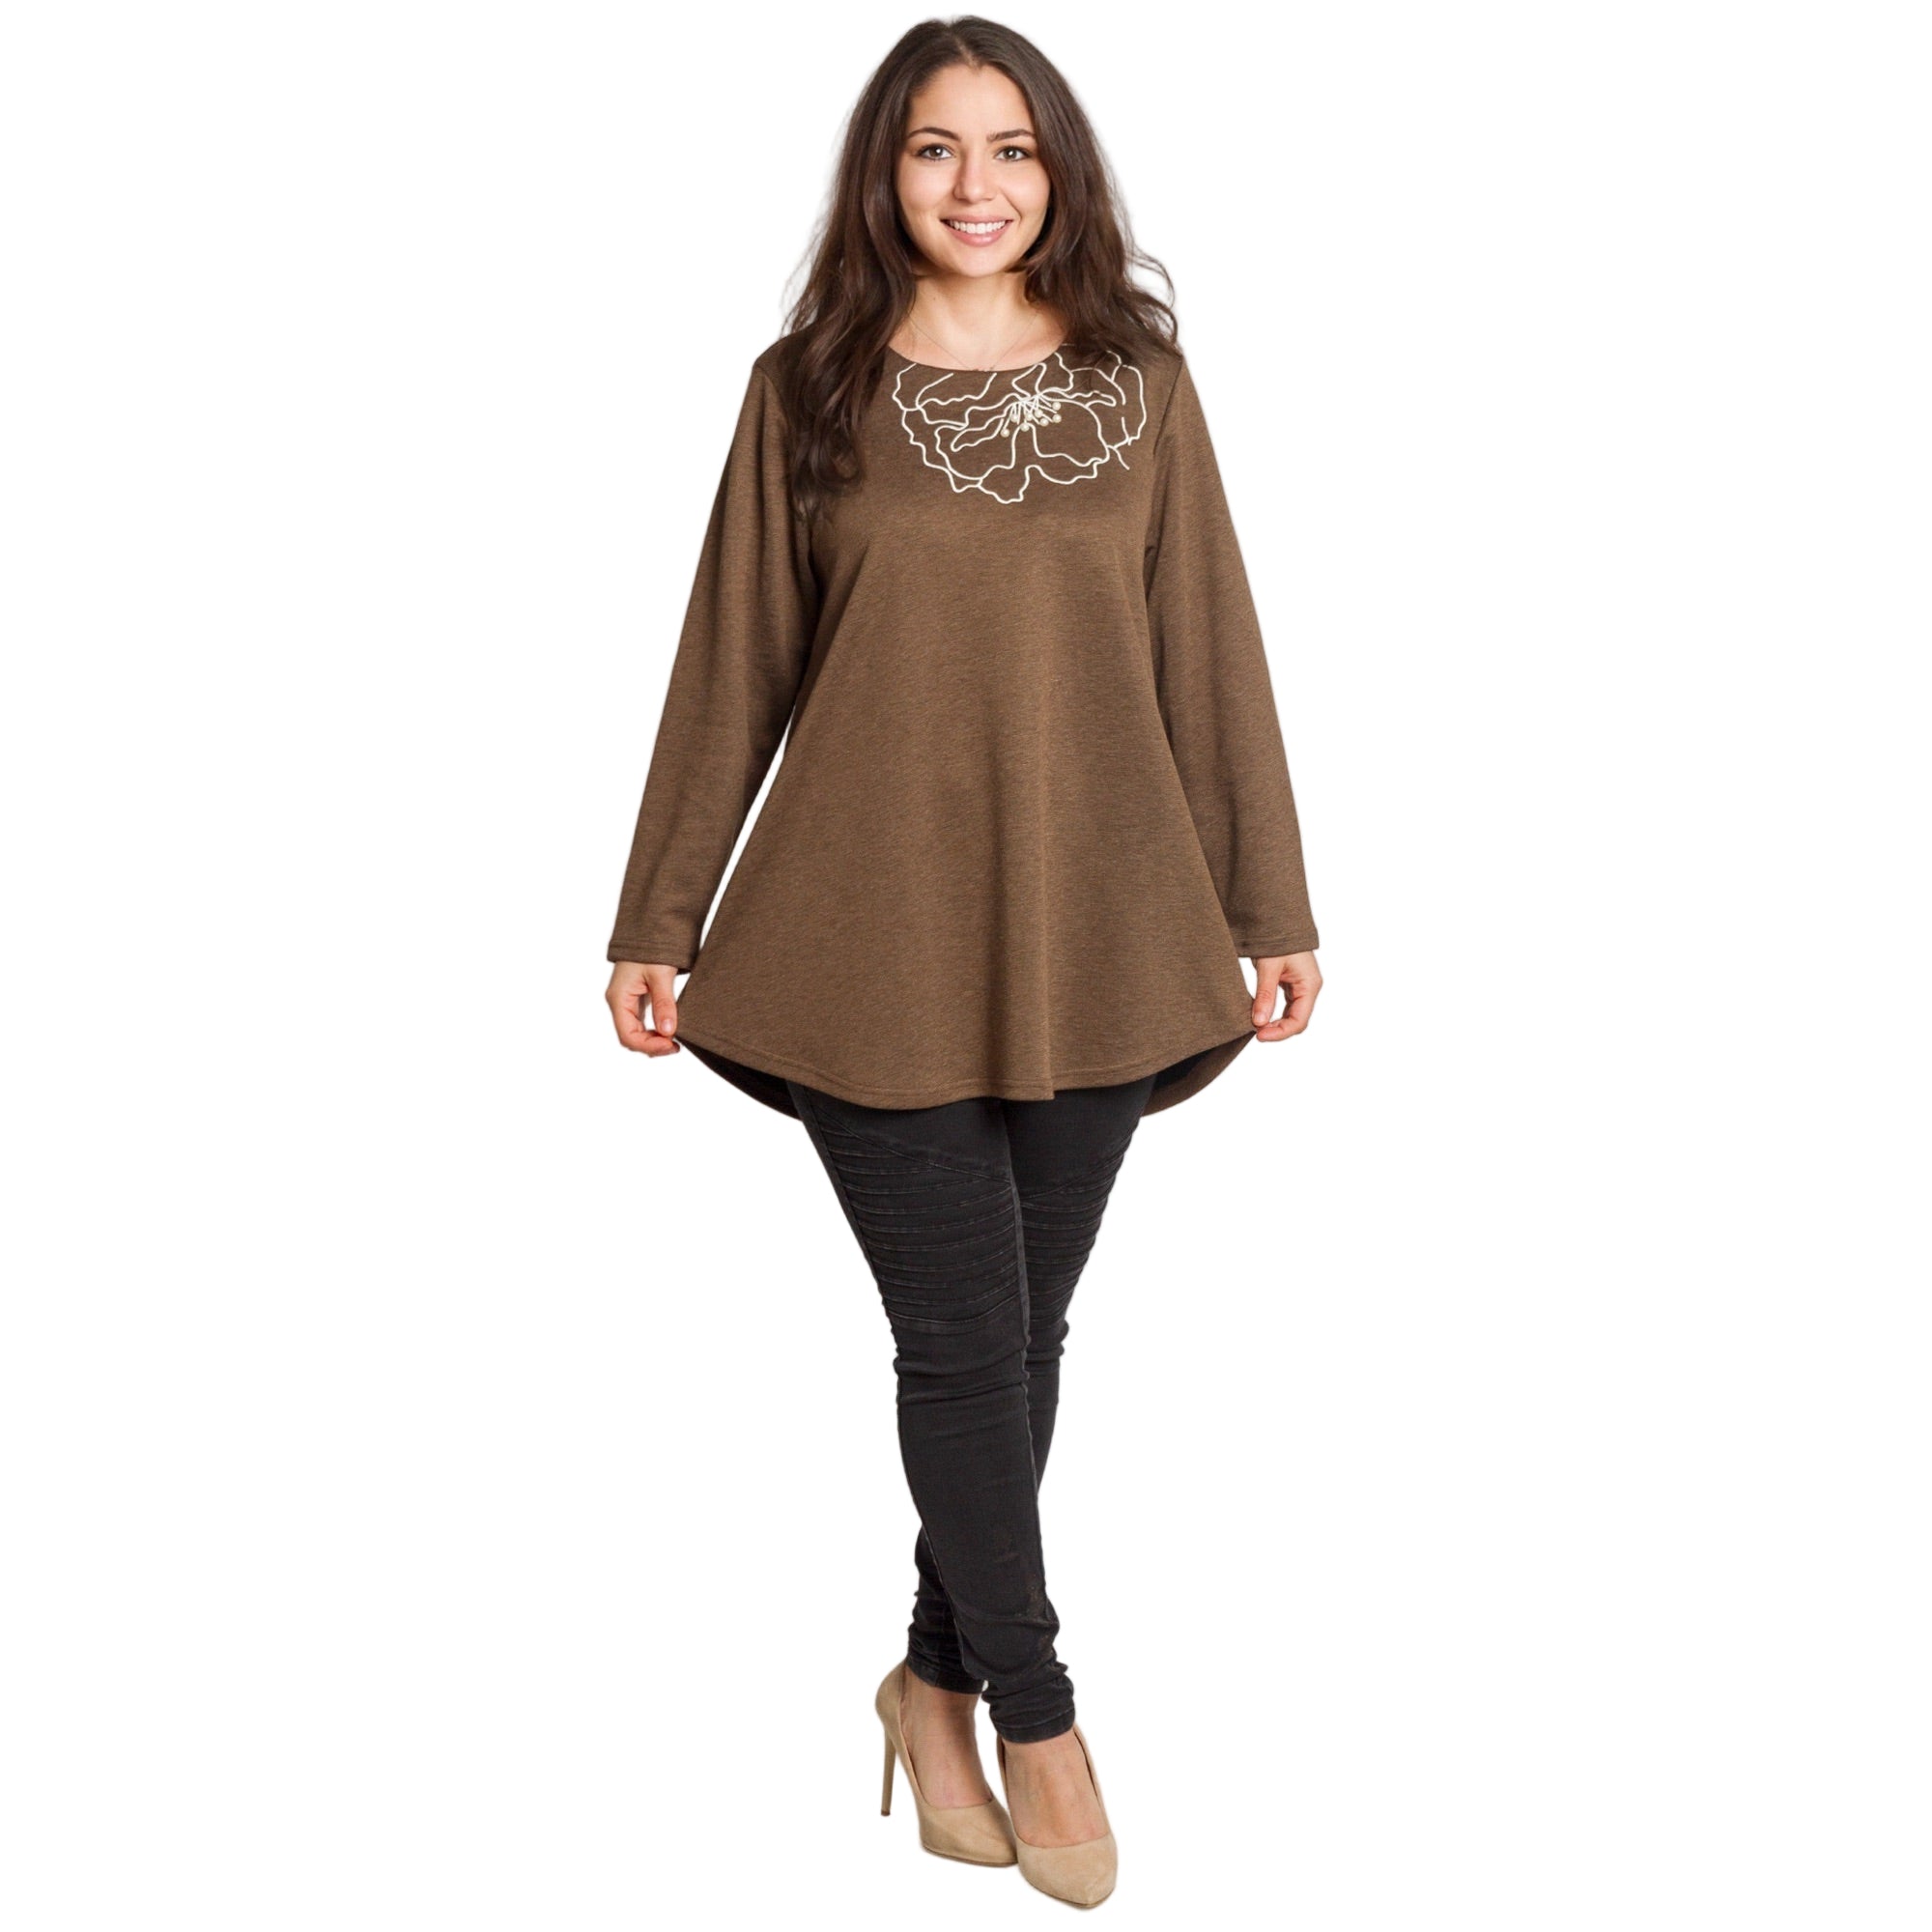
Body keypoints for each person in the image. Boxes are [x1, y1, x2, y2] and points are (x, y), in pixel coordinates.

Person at [603, 17, 1322, 1909]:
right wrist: (658, 917)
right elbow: (730, 668)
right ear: (886, 174)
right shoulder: (805, 392)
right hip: (865, 936)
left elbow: (1207, 648)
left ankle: (927, 1692)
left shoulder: (1139, 385)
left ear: (1057, 170)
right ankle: (1039, 1710)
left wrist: (1269, 897)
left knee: (1020, 1342)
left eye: (1012, 148)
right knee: (962, 1339)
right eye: (936, 149)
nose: (976, 185)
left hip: (1103, 922)